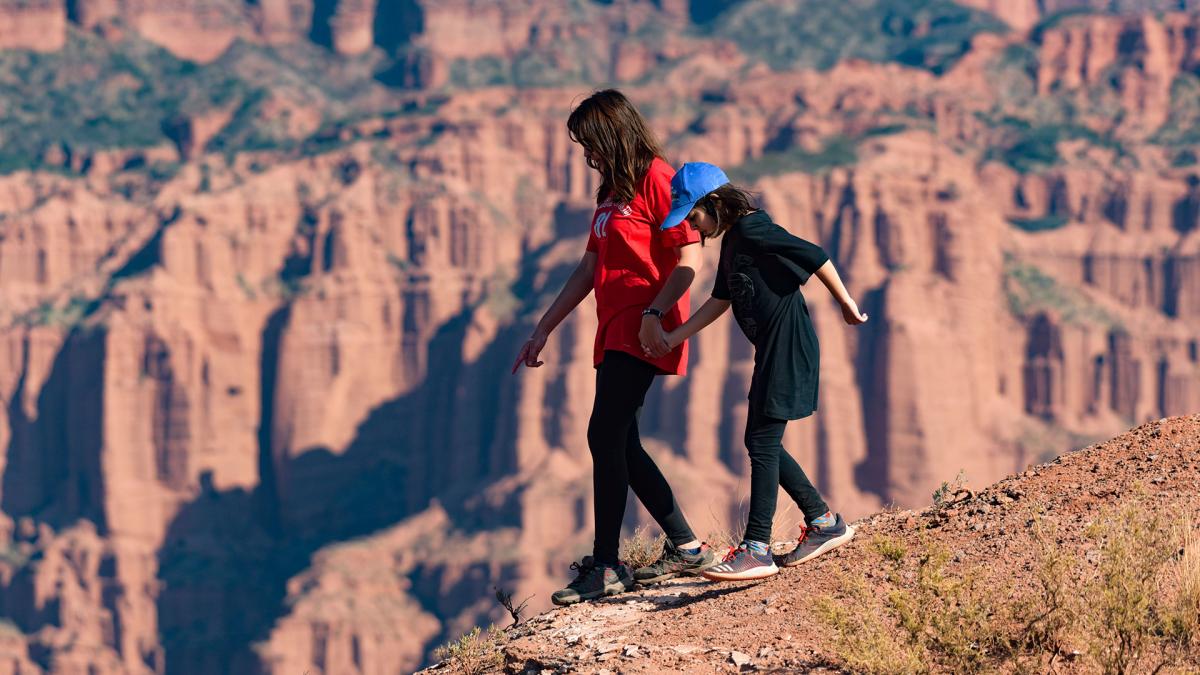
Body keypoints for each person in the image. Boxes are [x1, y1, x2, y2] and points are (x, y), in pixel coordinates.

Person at [512, 90, 716, 605]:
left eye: (590, 143)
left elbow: (691, 256)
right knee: (620, 439)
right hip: (614, 328)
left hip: (645, 328)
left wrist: (655, 316)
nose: (586, 155)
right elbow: (587, 268)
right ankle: (687, 547)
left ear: (612, 134)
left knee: (604, 432)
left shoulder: (657, 178)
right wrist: (543, 328)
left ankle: (606, 564)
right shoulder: (612, 191)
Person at [653, 162, 867, 581]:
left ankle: (757, 548)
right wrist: (676, 335)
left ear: (713, 202)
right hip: (771, 350)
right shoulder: (733, 240)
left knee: (763, 441)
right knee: (760, 439)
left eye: (694, 216)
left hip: (788, 349)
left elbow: (815, 255)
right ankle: (823, 522)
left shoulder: (754, 230)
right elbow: (721, 300)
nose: (693, 227)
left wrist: (844, 303)